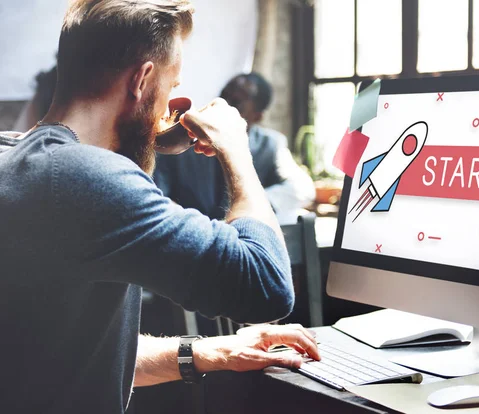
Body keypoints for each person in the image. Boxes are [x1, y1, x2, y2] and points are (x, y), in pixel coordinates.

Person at [0, 1, 319, 414]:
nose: (169, 104)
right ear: (142, 79)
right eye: (171, 87)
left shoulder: (17, 157)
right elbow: (268, 285)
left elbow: (68, 355)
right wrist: (236, 149)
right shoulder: (84, 177)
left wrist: (214, 351)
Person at [153, 72, 315, 223]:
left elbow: (302, 188)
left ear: (257, 116)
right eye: (223, 95)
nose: (225, 105)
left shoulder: (270, 145)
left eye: (236, 102)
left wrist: (249, 207)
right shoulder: (182, 140)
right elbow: (157, 195)